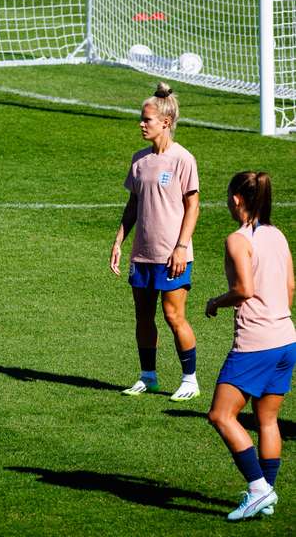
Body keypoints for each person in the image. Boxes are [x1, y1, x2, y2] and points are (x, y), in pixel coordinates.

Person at [205, 171, 295, 521]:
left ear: (238, 199)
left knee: (220, 414)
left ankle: (258, 488)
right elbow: (290, 287)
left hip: (256, 342)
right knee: (267, 419)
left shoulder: (238, 240)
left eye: (229, 195)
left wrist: (215, 301)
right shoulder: (277, 235)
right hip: (287, 337)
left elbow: (245, 288)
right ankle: (267, 495)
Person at [110, 82, 201, 401]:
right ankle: (148, 376)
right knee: (143, 316)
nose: (141, 123)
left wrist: (180, 247)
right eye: (141, 118)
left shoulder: (182, 160)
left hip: (173, 255)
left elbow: (193, 206)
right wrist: (120, 239)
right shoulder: (139, 160)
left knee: (174, 316)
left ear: (165, 122)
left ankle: (190, 379)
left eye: (146, 119)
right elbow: (134, 204)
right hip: (143, 254)